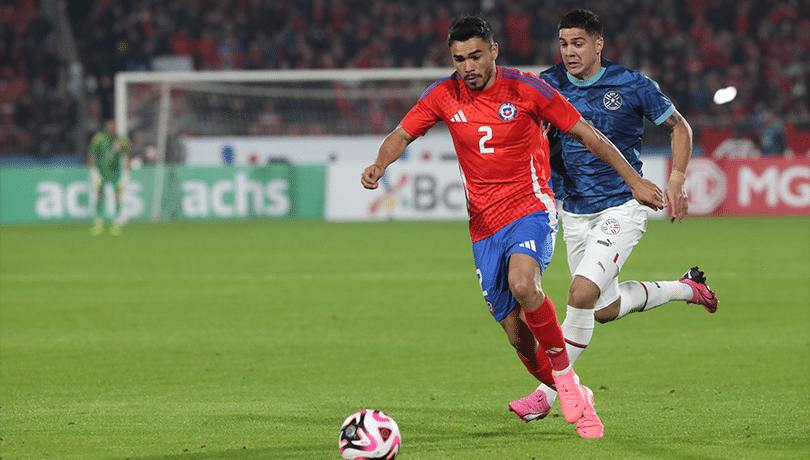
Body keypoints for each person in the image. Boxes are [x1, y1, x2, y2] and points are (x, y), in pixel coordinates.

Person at [361, 15, 664, 438]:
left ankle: (564, 380)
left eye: (475, 56)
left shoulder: (527, 88)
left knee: (525, 284)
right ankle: (573, 386)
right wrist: (379, 163)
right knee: (518, 336)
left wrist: (634, 181)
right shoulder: (444, 94)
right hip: (483, 225)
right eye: (459, 58)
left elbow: (587, 133)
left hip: (530, 208)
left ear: (493, 51)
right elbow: (401, 134)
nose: (468, 66)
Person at [508, 9, 719, 426]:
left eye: (578, 43)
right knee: (604, 308)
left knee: (580, 295)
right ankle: (685, 288)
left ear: (598, 44)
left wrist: (676, 179)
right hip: (572, 211)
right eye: (564, 43)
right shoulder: (547, 84)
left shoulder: (631, 84)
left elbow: (680, 128)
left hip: (622, 205)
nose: (569, 51)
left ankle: (548, 393)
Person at [88, 119, 131, 235]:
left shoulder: (121, 140)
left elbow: (127, 154)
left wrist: (127, 171)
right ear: (106, 128)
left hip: (115, 172)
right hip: (101, 170)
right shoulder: (99, 138)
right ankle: (98, 218)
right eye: (110, 127)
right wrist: (94, 170)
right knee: (99, 193)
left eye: (114, 127)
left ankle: (117, 217)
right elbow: (92, 153)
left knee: (117, 194)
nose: (112, 129)